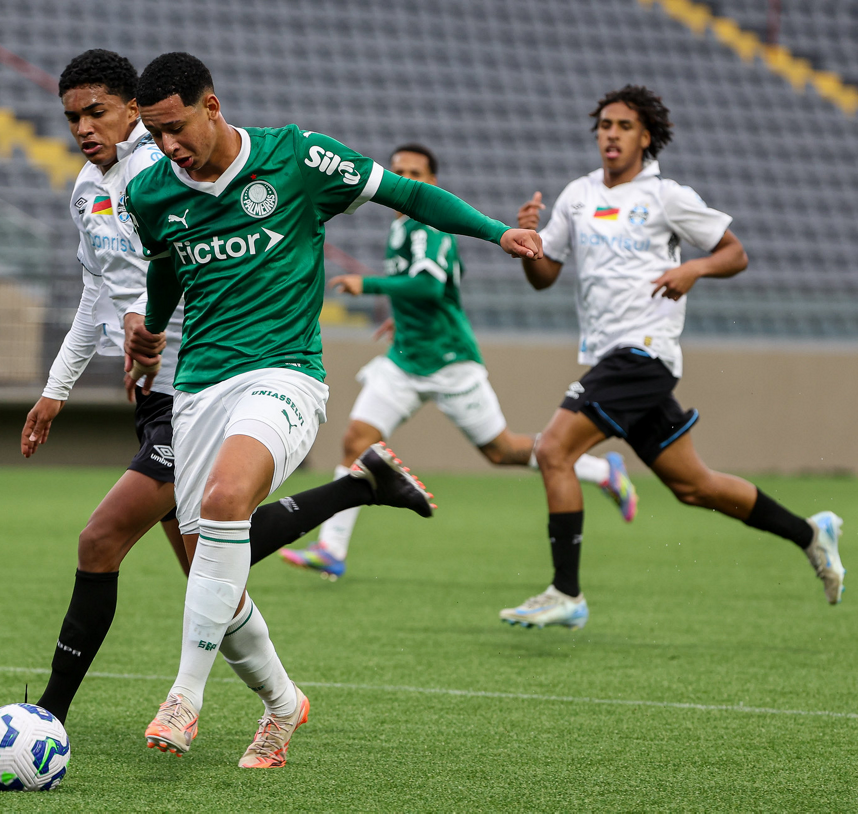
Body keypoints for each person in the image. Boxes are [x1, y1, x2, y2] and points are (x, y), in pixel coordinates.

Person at [124, 52, 543, 767]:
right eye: (154, 134)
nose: (168, 146)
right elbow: (166, 266)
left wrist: (495, 231)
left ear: (211, 106)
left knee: (225, 503)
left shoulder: (297, 157)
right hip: (197, 388)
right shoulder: (151, 194)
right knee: (209, 570)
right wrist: (154, 330)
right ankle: (283, 704)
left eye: (176, 127)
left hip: (284, 373)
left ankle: (184, 696)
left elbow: (406, 194)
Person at [23, 49, 433, 730]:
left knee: (107, 539)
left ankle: (51, 713)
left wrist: (152, 327)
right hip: (155, 394)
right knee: (209, 563)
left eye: (97, 112)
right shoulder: (87, 190)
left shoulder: (167, 169)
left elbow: (190, 274)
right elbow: (100, 289)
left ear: (134, 109)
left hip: (198, 383)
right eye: (72, 117)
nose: (84, 128)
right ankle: (288, 689)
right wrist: (56, 388)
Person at [500, 85, 843, 630]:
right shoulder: (577, 195)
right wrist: (529, 244)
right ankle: (810, 532)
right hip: (611, 357)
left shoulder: (666, 197)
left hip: (645, 353)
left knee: (554, 449)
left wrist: (693, 269)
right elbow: (544, 278)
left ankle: (566, 593)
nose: (611, 134)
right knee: (693, 486)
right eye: (605, 125)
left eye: (624, 126)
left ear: (646, 137)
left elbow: (734, 253)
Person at [282, 144, 635, 581]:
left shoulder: (429, 228)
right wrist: (403, 319)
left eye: (415, 173)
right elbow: (441, 285)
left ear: (431, 182)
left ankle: (601, 470)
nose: (405, 177)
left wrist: (367, 284)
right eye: (398, 170)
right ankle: (331, 549)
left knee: (501, 450)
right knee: (357, 439)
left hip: (449, 362)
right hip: (405, 360)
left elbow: (429, 288)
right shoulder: (401, 225)